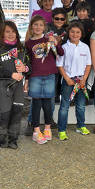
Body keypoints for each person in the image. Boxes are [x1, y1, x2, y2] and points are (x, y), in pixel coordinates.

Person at [0, 21, 29, 149]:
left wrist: (25, 68)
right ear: (2, 34)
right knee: (5, 113)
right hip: (3, 86)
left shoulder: (22, 48)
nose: (11, 34)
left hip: (18, 87)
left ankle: (13, 138)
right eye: (7, 31)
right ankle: (1, 136)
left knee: (17, 112)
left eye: (13, 31)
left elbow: (30, 66)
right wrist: (11, 74)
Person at [24, 15, 62, 144]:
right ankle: (36, 131)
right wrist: (27, 79)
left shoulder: (48, 40)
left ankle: (47, 128)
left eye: (40, 25)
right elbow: (27, 63)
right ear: (31, 27)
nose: (38, 27)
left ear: (44, 27)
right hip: (35, 76)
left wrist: (55, 42)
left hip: (50, 75)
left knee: (47, 104)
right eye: (35, 25)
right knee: (36, 104)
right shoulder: (28, 43)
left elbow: (61, 53)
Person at [56, 21, 92, 141]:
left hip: (81, 81)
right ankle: (61, 130)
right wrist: (67, 79)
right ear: (68, 33)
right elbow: (60, 65)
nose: (75, 34)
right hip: (68, 81)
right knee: (64, 106)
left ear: (81, 34)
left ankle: (81, 126)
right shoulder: (64, 48)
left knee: (81, 105)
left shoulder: (85, 47)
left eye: (78, 32)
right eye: (72, 32)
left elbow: (88, 65)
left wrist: (84, 79)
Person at [48, 8, 68, 103]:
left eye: (62, 19)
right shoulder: (47, 28)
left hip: (64, 60)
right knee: (53, 82)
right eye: (57, 18)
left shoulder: (68, 30)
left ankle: (59, 100)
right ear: (52, 18)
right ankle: (53, 100)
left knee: (62, 81)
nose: (59, 21)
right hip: (51, 61)